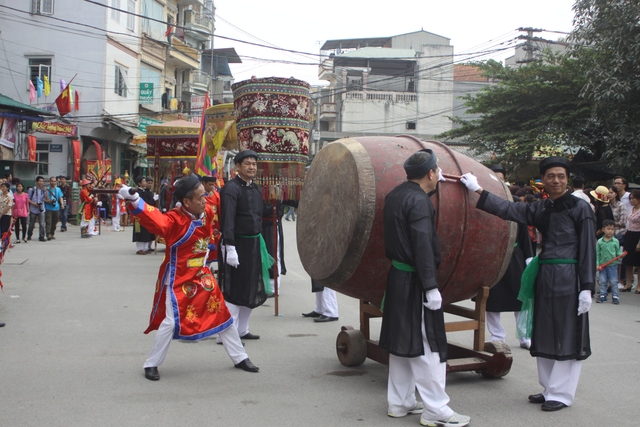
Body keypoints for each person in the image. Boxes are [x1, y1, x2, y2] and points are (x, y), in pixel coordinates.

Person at [460, 156, 596, 411]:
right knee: (544, 332)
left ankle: (562, 394)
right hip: (544, 276)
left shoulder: (581, 208)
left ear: (567, 179)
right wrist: (476, 189)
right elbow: (509, 210)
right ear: (542, 180)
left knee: (567, 334)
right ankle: (548, 389)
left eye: (561, 176)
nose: (556, 180)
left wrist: (587, 287)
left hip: (569, 277)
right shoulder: (542, 207)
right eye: (550, 176)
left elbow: (589, 247)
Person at [120, 174, 259, 381]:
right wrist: (134, 200)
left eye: (206, 195)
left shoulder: (208, 212)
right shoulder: (173, 220)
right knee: (171, 322)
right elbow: (155, 218)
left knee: (223, 314)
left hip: (201, 275)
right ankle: (151, 364)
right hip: (178, 277)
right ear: (186, 202)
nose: (206, 200)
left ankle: (240, 357)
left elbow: (219, 225)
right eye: (201, 197)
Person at [380, 149, 470, 427]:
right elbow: (422, 247)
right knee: (427, 345)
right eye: (438, 170)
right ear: (431, 173)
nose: (440, 174)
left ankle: (400, 402)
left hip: (398, 277)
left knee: (403, 342)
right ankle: (436, 410)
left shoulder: (397, 194)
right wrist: (431, 287)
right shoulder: (420, 203)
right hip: (416, 281)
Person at [218, 150, 272, 342]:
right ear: (237, 167)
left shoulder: (256, 188)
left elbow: (258, 215)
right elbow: (228, 220)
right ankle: (225, 331)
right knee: (234, 288)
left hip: (254, 243)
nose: (251, 167)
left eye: (254, 164)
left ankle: (242, 329)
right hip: (237, 244)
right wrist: (230, 247)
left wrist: (277, 200)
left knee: (251, 286)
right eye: (247, 163)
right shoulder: (231, 189)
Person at [484, 164, 535, 350]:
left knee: (520, 298)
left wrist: (529, 257)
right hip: (492, 257)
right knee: (492, 299)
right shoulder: (483, 200)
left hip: (514, 256)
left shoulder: (514, 202)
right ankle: (497, 335)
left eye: (501, 177)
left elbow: (523, 234)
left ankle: (524, 335)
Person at [596, 220, 624, 304]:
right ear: (603, 229)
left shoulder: (615, 241)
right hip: (602, 265)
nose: (610, 231)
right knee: (603, 281)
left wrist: (621, 254)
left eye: (612, 229)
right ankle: (602, 295)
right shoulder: (600, 241)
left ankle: (615, 296)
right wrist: (597, 264)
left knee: (613, 281)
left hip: (613, 265)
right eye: (608, 229)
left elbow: (617, 252)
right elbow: (597, 254)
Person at [262, 201, 286, 296]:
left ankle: (274, 287)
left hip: (272, 226)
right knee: (265, 255)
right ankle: (266, 285)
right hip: (263, 225)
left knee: (274, 256)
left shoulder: (278, 194)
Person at [621, 189, 640, 293]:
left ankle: (639, 286)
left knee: (638, 262)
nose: (632, 200)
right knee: (628, 261)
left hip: (638, 235)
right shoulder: (631, 209)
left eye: (634, 198)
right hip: (629, 234)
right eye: (630, 198)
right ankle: (627, 283)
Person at [202, 175, 221, 270]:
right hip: (202, 226)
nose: (212, 187)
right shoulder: (198, 195)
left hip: (214, 227)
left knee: (213, 251)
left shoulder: (216, 195)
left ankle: (207, 269)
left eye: (213, 185)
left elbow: (220, 211)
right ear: (203, 183)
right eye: (209, 185)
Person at [132, 176, 155, 254]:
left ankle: (145, 248)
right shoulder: (137, 192)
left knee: (145, 231)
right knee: (139, 231)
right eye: (144, 181)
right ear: (139, 183)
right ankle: (139, 249)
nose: (145, 182)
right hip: (139, 213)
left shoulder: (145, 192)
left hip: (145, 213)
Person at [27, 176, 47, 242]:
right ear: (36, 182)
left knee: (42, 223)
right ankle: (29, 235)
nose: (41, 182)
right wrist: (33, 203)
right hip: (33, 209)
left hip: (41, 208)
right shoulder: (31, 190)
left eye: (42, 181)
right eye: (40, 181)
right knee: (32, 223)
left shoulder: (43, 190)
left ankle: (42, 236)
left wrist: (45, 191)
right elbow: (28, 199)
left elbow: (46, 198)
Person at [44, 176, 63, 240]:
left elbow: (60, 197)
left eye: (54, 181)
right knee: (48, 222)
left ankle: (52, 233)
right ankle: (48, 234)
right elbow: (43, 198)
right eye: (52, 181)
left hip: (56, 208)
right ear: (50, 182)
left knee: (55, 222)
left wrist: (62, 204)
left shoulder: (58, 189)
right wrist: (47, 201)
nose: (53, 182)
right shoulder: (46, 189)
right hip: (48, 208)